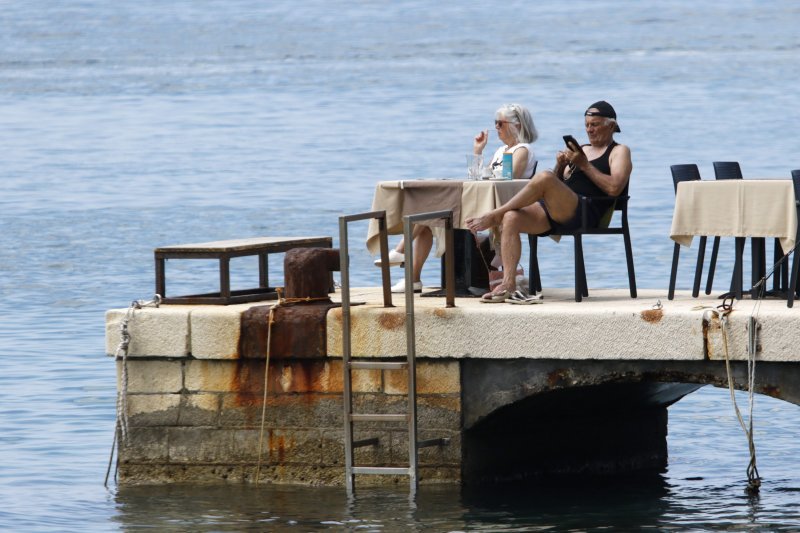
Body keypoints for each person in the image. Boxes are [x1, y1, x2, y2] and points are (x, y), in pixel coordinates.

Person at [465, 101, 632, 302]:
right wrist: (560, 166)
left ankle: (495, 214)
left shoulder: (619, 151)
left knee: (544, 177)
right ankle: (508, 283)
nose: (589, 129)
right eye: (587, 125)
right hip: (558, 209)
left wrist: (585, 165)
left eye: (595, 124)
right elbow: (558, 183)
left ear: (611, 126)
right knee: (512, 217)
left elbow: (615, 188)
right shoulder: (582, 150)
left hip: (587, 211)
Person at [376, 103, 539, 293]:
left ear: (516, 125)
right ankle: (412, 278)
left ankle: (400, 253)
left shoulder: (522, 150)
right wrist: (478, 151)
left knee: (431, 211)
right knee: (427, 216)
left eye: (500, 124)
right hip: (484, 200)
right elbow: (482, 177)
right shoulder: (500, 152)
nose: (496, 128)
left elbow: (509, 181)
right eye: (495, 123)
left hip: (502, 205)